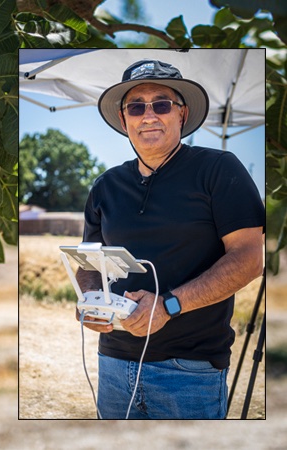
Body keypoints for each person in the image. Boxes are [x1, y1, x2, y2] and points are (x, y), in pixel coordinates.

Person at [77, 59, 264, 419]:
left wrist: (168, 306)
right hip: (114, 362)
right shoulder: (105, 186)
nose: (148, 116)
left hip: (190, 371)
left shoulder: (219, 170)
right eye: (136, 107)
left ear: (182, 114)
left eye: (161, 104)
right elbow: (89, 258)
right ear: (124, 120)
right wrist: (90, 299)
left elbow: (249, 259)